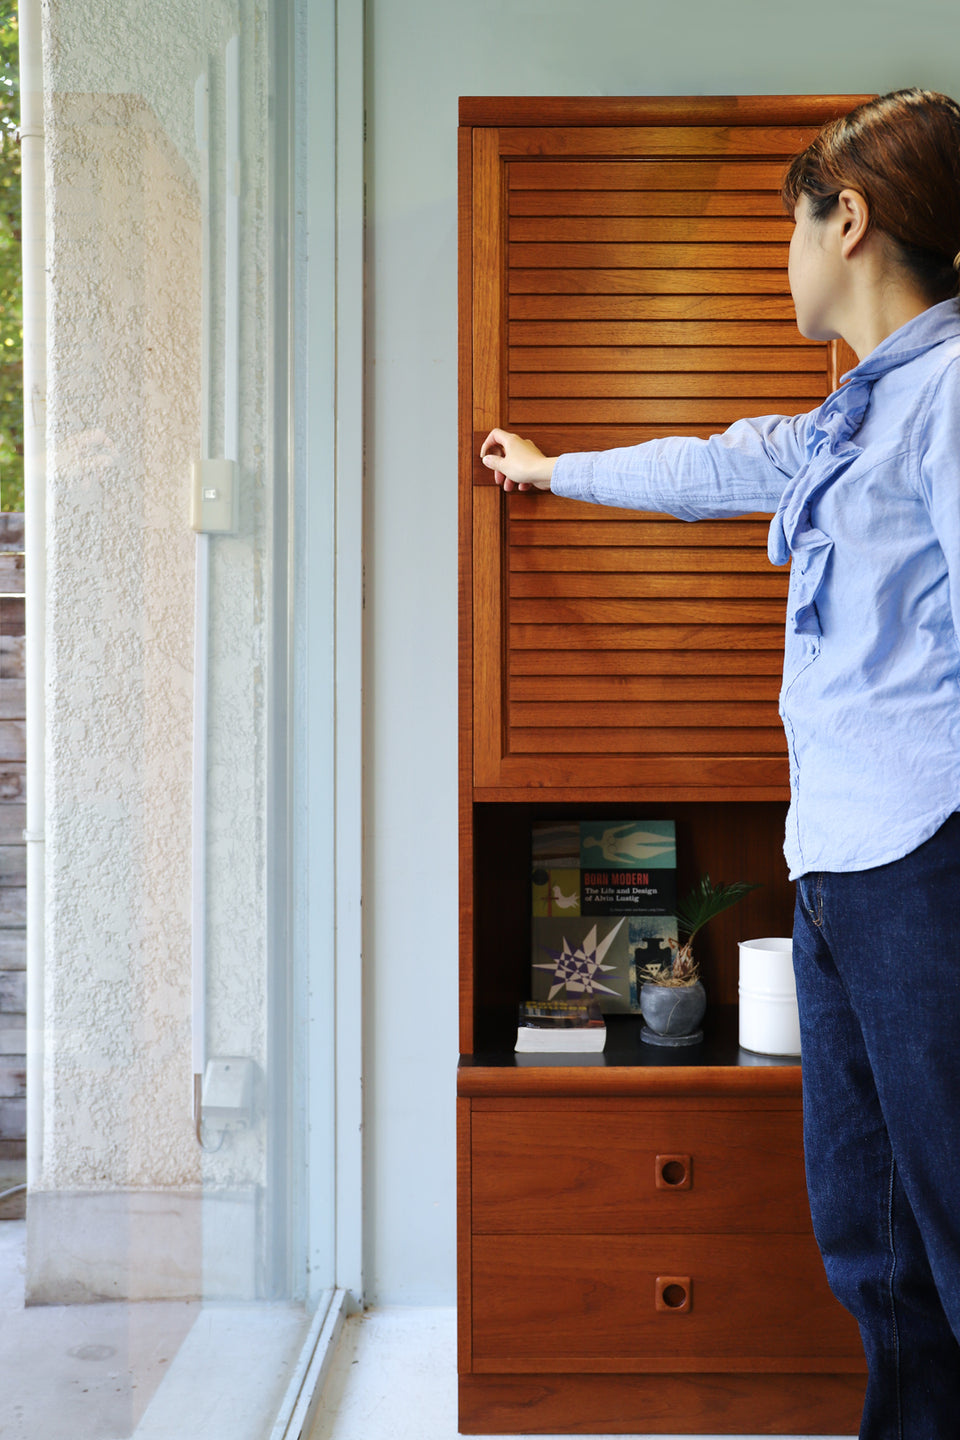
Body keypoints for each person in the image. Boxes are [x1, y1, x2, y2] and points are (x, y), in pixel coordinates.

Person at [480, 88, 960, 1439]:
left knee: (951, 1237)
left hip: (926, 863)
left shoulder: (950, 396)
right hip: (838, 878)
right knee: (876, 1248)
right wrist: (555, 469)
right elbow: (715, 464)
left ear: (848, 220)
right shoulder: (850, 418)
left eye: (794, 229)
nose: (785, 259)